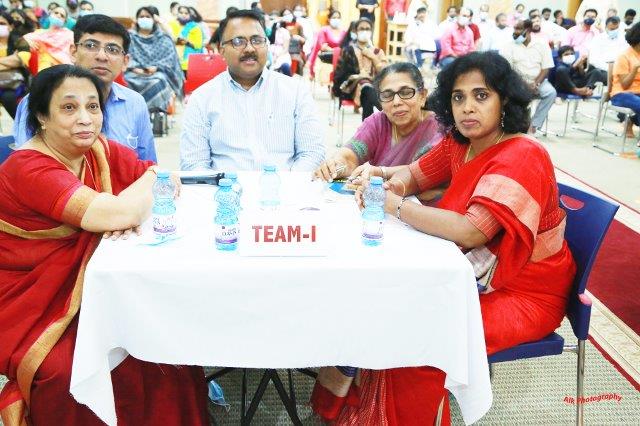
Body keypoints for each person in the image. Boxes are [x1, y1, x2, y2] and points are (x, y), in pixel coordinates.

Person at [311, 51, 576, 424]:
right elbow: (415, 174)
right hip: (464, 273)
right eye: (458, 97)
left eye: (481, 96)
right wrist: (388, 181)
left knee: (418, 334)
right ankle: (360, 412)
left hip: (521, 292)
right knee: (380, 303)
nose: (467, 107)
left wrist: (393, 205)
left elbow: (473, 230)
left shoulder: (523, 154)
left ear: (505, 100)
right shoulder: (462, 143)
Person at [0, 64, 209, 426]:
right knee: (70, 369)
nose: (85, 118)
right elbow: (122, 211)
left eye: (93, 106)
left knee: (165, 342)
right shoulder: (29, 167)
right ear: (41, 117)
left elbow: (157, 172)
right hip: (36, 303)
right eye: (69, 107)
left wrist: (135, 197)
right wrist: (126, 208)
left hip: (96, 285)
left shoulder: (96, 151)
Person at [180, 9, 324, 172]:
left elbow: (312, 153)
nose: (249, 48)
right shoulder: (202, 98)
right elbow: (193, 163)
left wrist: (287, 184)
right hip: (223, 187)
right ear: (222, 50)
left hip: (286, 186)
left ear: (267, 45)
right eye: (238, 41)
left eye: (257, 40)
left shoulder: (295, 92)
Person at [14, 14, 157, 162]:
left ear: (125, 61)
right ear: (73, 52)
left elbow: (149, 166)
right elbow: (25, 164)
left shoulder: (135, 103)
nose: (102, 56)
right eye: (91, 46)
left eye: (112, 49)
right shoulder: (39, 99)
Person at [315, 62, 442, 182]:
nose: (396, 102)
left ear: (422, 96)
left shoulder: (440, 129)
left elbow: (429, 170)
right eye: (387, 95)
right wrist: (337, 165)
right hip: (379, 196)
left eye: (406, 93)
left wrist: (381, 172)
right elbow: (350, 157)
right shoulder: (378, 123)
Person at [501, 19, 556, 134]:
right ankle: (518, 125)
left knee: (550, 92)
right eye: (515, 28)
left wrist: (536, 84)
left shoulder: (541, 44)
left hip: (538, 81)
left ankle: (534, 125)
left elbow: (546, 67)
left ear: (528, 30)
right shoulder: (508, 46)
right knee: (514, 95)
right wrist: (524, 84)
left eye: (519, 29)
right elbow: (508, 70)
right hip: (517, 81)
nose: (515, 32)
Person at [125, 6, 184, 112]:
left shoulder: (163, 38)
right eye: (141, 16)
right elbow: (124, 55)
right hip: (134, 72)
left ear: (154, 20)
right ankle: (130, 112)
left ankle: (155, 114)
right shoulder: (129, 37)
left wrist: (156, 68)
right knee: (125, 80)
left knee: (157, 81)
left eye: (148, 16)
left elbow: (169, 59)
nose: (144, 19)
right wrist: (134, 68)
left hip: (157, 73)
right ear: (137, 20)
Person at [333, 17, 387, 121]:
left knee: (367, 93)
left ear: (371, 31)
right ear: (355, 31)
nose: (365, 31)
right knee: (366, 86)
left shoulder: (377, 52)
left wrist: (373, 57)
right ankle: (388, 112)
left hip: (375, 88)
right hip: (352, 89)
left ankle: (367, 129)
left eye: (367, 29)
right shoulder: (348, 51)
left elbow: (385, 74)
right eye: (362, 29)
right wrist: (358, 77)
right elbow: (340, 75)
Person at [610, 22, 640, 139]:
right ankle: (629, 123)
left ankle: (630, 122)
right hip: (622, 94)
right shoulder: (624, 56)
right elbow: (625, 85)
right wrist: (635, 69)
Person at [22, 5, 73, 71]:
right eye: (56, 13)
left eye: (62, 15)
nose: (58, 15)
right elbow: (26, 37)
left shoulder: (68, 34)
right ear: (50, 15)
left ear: (65, 22)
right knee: (21, 55)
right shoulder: (40, 32)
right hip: (41, 62)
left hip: (60, 65)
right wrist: (29, 42)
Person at [0, 11, 30, 118]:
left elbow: (20, 60)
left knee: (8, 97)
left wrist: (16, 61)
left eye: (2, 23)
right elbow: (14, 61)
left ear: (11, 26)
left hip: (14, 84)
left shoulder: (19, 41)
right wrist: (10, 62)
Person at [308, 9, 345, 81]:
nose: (336, 19)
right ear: (329, 19)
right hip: (327, 61)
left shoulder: (343, 32)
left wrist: (336, 51)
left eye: (338, 18)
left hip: (341, 62)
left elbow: (346, 46)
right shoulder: (324, 30)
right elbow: (322, 47)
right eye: (334, 18)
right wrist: (336, 51)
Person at [170, 5, 204, 72]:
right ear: (177, 14)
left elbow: (198, 46)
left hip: (187, 63)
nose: (183, 15)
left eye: (186, 13)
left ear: (190, 15)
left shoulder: (195, 28)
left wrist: (187, 42)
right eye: (181, 13)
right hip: (173, 61)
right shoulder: (172, 25)